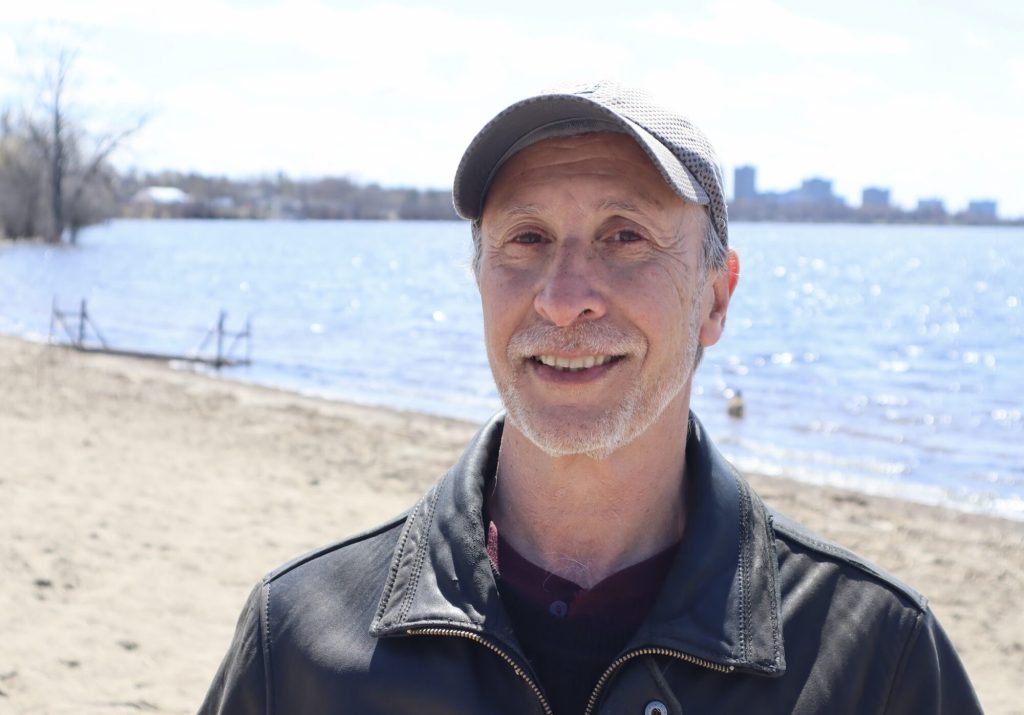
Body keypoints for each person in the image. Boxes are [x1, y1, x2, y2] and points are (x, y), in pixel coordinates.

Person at [199, 81, 981, 714]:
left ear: (715, 297)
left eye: (625, 236)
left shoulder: (873, 659)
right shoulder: (301, 642)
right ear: (479, 280)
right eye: (527, 238)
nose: (565, 299)